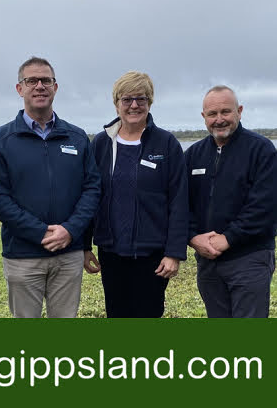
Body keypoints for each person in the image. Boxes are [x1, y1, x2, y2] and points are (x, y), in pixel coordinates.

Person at [0, 56, 100, 318]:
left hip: (68, 253)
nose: (39, 86)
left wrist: (70, 230)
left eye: (46, 80)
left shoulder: (77, 137)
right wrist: (39, 232)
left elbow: (92, 189)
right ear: (19, 88)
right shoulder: (0, 140)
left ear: (55, 87)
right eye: (31, 80)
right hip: (23, 255)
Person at [84, 71, 188, 318]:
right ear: (116, 103)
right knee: (117, 315)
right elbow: (89, 195)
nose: (133, 105)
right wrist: (84, 245)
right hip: (111, 251)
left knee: (148, 315)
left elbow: (179, 201)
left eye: (140, 99)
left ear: (149, 102)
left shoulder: (166, 144)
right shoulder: (101, 143)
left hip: (151, 254)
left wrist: (174, 253)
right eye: (127, 99)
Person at [185, 85, 277, 318]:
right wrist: (193, 237)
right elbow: (180, 204)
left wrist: (229, 238)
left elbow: (265, 206)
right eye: (212, 114)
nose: (219, 120)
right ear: (203, 116)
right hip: (208, 261)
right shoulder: (193, 155)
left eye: (225, 112)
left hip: (249, 258)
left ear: (240, 111)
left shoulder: (261, 150)